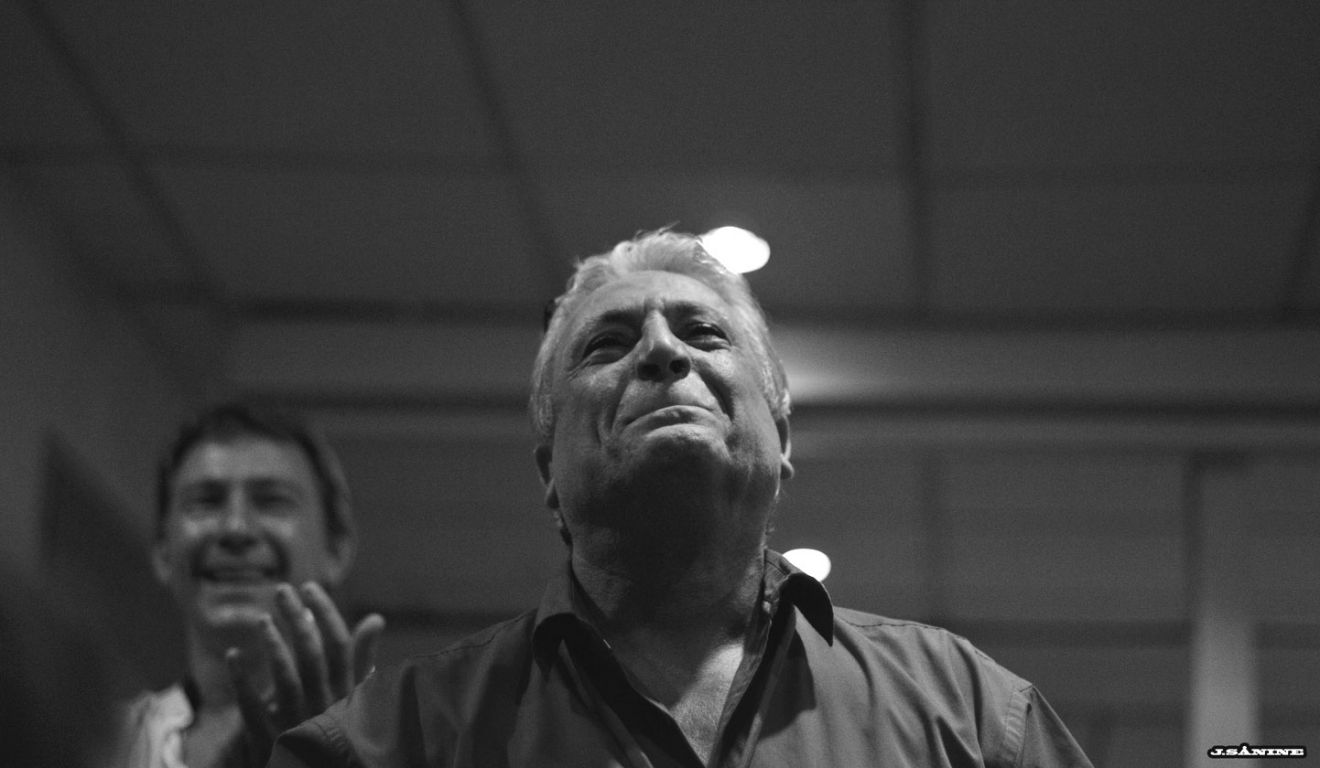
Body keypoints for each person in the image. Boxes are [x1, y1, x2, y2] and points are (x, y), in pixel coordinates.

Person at [270, 230, 1093, 767]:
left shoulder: (969, 715)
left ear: (781, 437)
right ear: (548, 470)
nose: (663, 352)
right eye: (609, 344)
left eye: (703, 334)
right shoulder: (395, 742)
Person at [116, 403, 385, 768]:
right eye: (206, 502)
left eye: (272, 501)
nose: (235, 528)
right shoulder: (92, 746)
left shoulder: (404, 745)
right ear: (163, 551)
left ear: (336, 549)